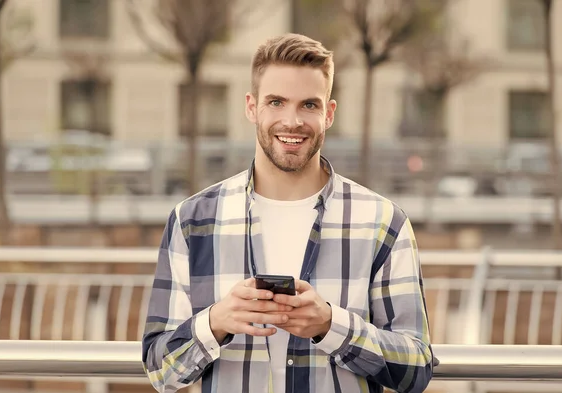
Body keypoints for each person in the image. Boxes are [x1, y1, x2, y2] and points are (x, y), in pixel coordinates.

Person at [141, 33, 434, 393]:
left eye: (308, 105)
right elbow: (159, 370)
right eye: (276, 102)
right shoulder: (192, 221)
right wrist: (216, 321)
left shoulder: (383, 222)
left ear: (328, 114)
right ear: (252, 107)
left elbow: (416, 368)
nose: (292, 121)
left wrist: (331, 326)